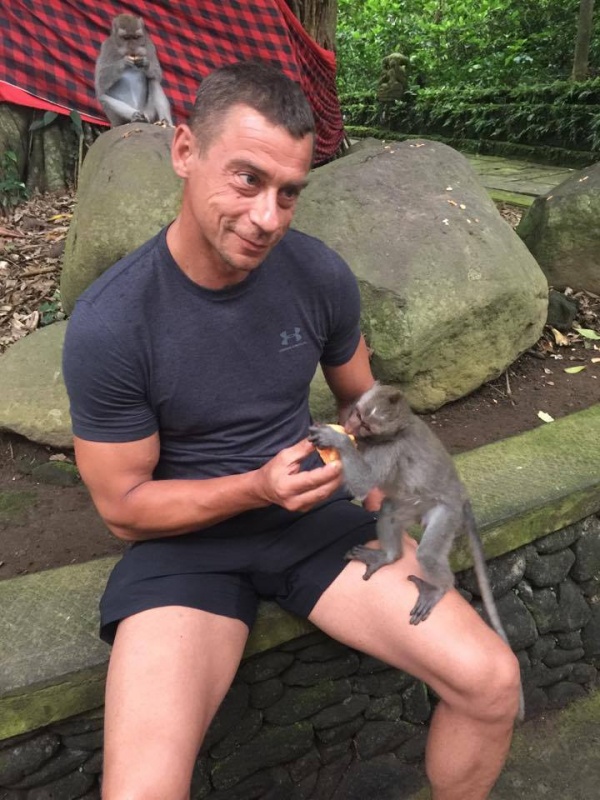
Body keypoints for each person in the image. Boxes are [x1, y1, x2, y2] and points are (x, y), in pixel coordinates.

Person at [62, 61, 520, 800]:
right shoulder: (113, 322)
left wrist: (386, 498)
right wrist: (255, 486)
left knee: (491, 682)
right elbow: (124, 510)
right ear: (185, 151)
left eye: (288, 192)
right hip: (184, 549)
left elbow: (365, 402)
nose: (268, 218)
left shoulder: (317, 275)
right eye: (247, 180)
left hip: (313, 524)